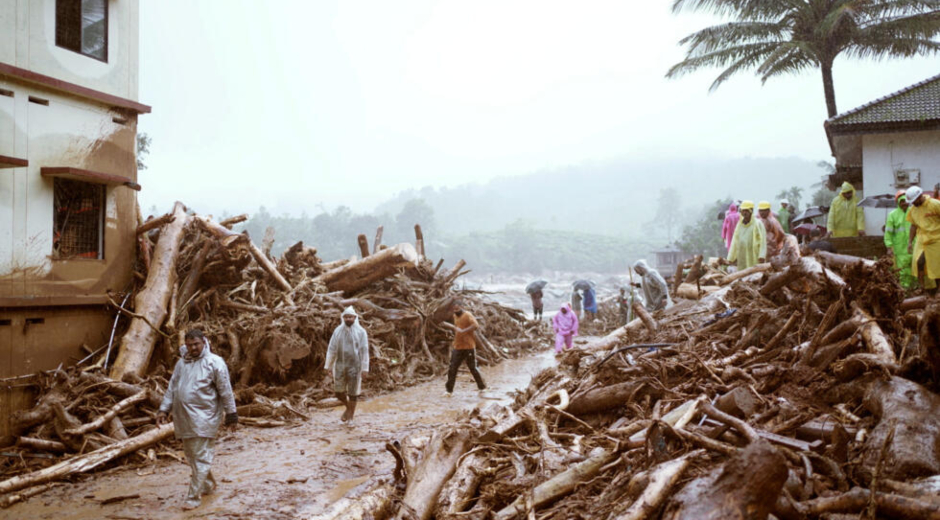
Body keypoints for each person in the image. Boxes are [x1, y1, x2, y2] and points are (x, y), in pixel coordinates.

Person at [158, 329, 237, 510]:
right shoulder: (181, 363)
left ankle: (193, 498)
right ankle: (208, 485)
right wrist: (163, 409)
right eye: (189, 345)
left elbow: (225, 390)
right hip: (184, 418)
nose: (193, 348)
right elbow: (172, 388)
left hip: (205, 418)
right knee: (193, 456)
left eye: (196, 344)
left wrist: (232, 415)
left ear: (204, 342)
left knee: (200, 456)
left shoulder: (215, 362)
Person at [325, 306, 370, 422]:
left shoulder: (361, 332)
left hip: (355, 366)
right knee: (339, 392)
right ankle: (348, 408)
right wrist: (328, 366)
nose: (348, 319)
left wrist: (365, 368)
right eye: (346, 317)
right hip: (340, 365)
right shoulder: (338, 331)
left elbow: (364, 351)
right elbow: (332, 349)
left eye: (350, 317)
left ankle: (350, 416)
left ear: (355, 318)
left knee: (353, 392)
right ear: (343, 318)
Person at [445, 301, 486, 395]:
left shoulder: (467, 315)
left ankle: (482, 387)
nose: (456, 310)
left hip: (469, 347)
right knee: (452, 368)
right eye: (454, 309)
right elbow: (456, 327)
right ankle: (449, 390)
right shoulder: (455, 316)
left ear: (461, 307)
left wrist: (464, 331)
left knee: (473, 368)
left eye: (457, 308)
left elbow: (476, 325)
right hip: (458, 347)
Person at [906, 186, 940, 293]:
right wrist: (910, 242)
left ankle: (938, 290)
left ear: (920, 196)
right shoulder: (913, 210)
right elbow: (913, 226)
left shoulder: (935, 204)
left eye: (914, 201)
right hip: (922, 239)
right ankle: (923, 288)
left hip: (936, 239)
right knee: (918, 262)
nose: (913, 203)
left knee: (936, 266)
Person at [884, 191, 915, 289]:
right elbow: (888, 233)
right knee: (903, 270)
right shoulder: (892, 215)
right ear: (898, 202)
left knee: (915, 268)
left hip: (914, 246)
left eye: (905, 200)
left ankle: (915, 288)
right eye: (901, 201)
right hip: (900, 248)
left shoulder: (914, 212)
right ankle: (905, 289)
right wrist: (889, 247)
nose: (904, 203)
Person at [723, 200, 766, 269]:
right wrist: (730, 257)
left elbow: (763, 241)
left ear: (751, 211)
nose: (744, 213)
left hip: (753, 254)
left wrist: (762, 255)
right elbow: (735, 241)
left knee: (753, 273)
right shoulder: (740, 225)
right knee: (742, 274)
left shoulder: (758, 224)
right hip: (742, 254)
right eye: (743, 211)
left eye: (746, 210)